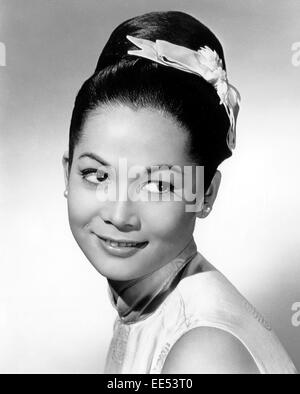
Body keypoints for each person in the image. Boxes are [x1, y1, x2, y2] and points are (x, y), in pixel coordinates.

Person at [62, 11, 297, 374]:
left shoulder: (203, 350)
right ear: (67, 171)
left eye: (158, 185)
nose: (119, 215)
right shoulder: (146, 306)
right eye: (96, 174)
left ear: (206, 194)